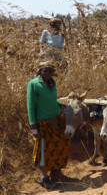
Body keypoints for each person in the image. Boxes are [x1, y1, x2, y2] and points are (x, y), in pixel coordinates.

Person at [27, 60, 70, 189]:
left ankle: (56, 174)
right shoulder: (33, 84)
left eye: (50, 71)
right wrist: (34, 126)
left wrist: (62, 105)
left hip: (56, 121)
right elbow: (30, 106)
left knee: (57, 148)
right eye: (45, 70)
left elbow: (52, 101)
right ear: (39, 70)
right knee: (44, 151)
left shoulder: (52, 83)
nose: (48, 73)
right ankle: (44, 178)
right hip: (43, 123)